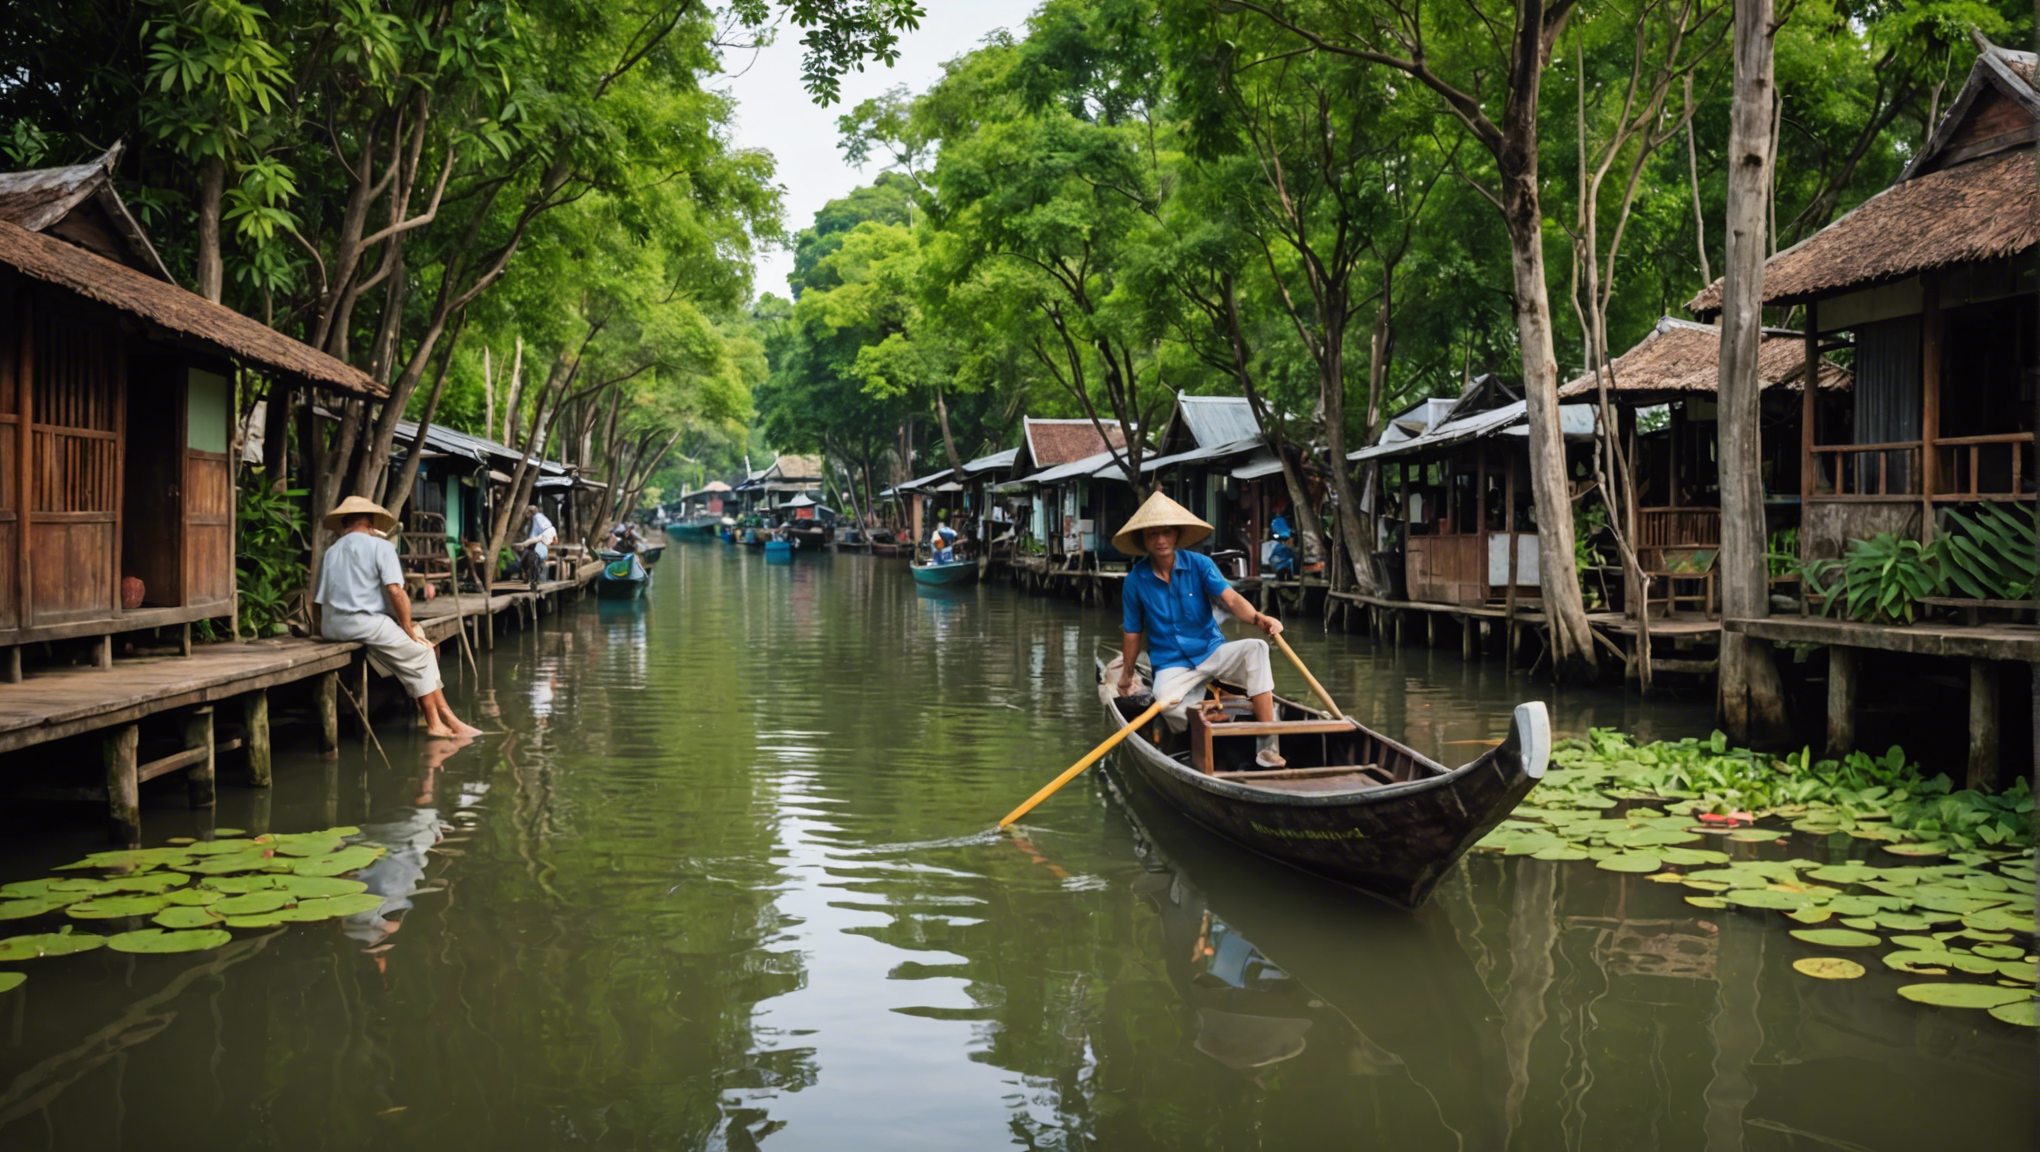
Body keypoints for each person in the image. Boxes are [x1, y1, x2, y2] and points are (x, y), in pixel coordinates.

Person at [1114, 492, 1287, 769]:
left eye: (1166, 532)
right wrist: (1126, 675)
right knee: (1166, 702)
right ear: (1143, 540)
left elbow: (1230, 600)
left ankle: (1267, 744)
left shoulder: (1200, 564)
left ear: (1176, 535)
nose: (1160, 540)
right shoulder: (1135, 581)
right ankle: (1214, 715)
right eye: (1152, 534)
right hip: (1171, 662)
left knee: (1257, 648)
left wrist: (1258, 618)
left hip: (1211, 650)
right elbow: (1133, 632)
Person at [315, 496, 481, 740]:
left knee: (415, 650)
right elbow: (395, 590)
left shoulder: (331, 552)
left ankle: (450, 720)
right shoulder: (381, 547)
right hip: (365, 624)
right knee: (423, 651)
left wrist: (321, 627)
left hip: (332, 627)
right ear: (370, 522)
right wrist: (407, 627)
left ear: (345, 522)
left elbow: (317, 601)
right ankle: (437, 722)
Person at [519, 503, 556, 588]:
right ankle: (536, 581)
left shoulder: (537, 518)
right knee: (537, 566)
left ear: (530, 512)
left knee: (528, 563)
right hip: (539, 549)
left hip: (536, 549)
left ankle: (532, 580)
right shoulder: (540, 518)